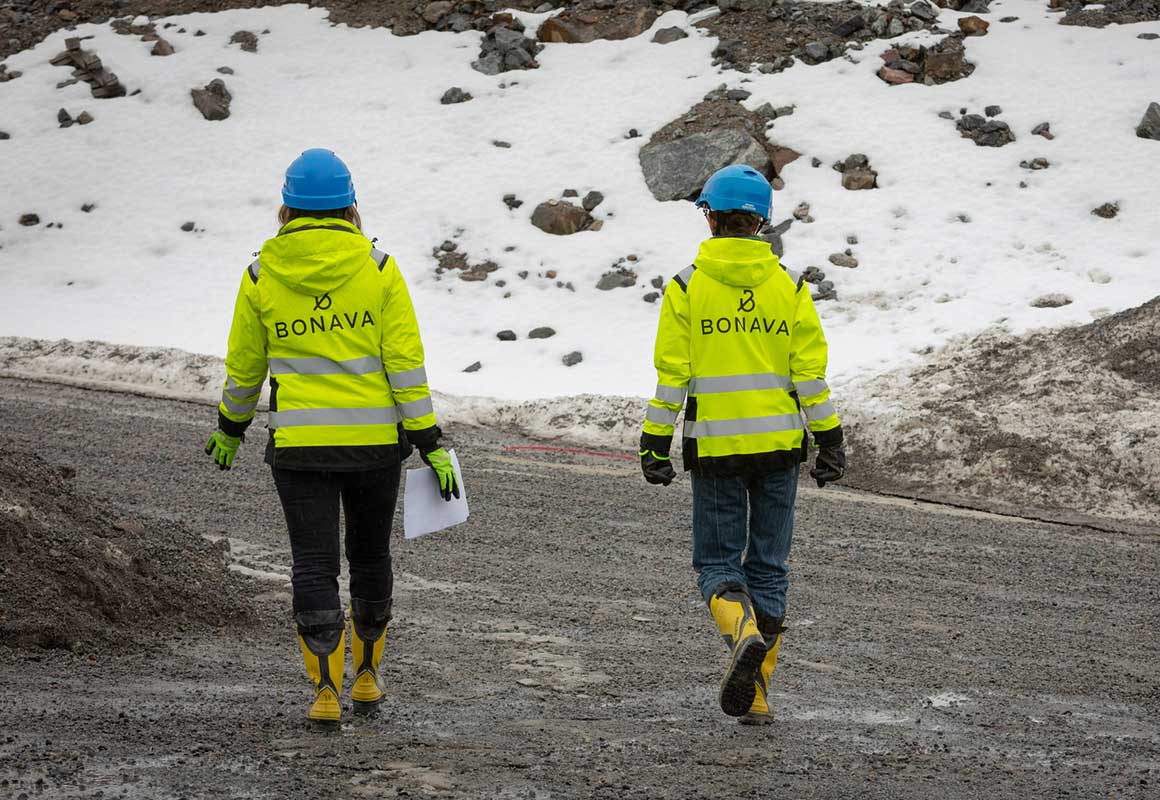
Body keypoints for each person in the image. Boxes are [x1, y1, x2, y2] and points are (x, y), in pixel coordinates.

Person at [204, 149, 460, 726]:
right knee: (370, 556)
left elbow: (245, 367)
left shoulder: (260, 275)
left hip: (299, 450)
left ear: (287, 207)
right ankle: (366, 681)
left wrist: (230, 426)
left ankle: (324, 694)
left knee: (312, 566)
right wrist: (429, 440)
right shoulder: (378, 269)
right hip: (375, 447)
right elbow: (405, 365)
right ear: (350, 205)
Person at [638, 164, 846, 724]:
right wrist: (830, 439)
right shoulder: (792, 286)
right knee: (770, 567)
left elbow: (671, 377)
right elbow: (810, 375)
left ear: (710, 217)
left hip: (716, 450)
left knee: (716, 563)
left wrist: (654, 443)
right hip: (781, 449)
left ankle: (742, 632)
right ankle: (756, 694)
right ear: (762, 222)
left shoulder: (685, 287)